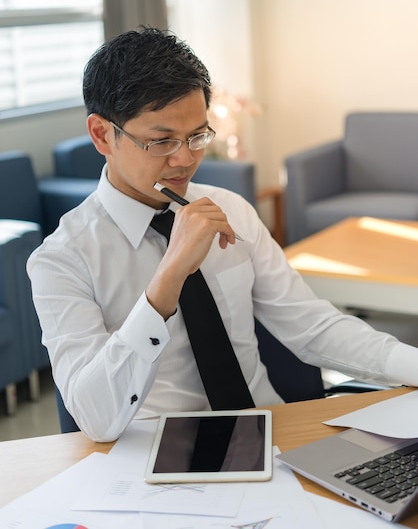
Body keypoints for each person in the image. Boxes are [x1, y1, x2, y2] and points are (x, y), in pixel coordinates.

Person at [28, 26, 418, 442]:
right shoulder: (62, 259)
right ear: (102, 134)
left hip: (271, 436)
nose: (184, 159)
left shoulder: (231, 209)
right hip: (156, 460)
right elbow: (95, 418)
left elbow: (313, 327)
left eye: (197, 136)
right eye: (161, 141)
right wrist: (166, 281)